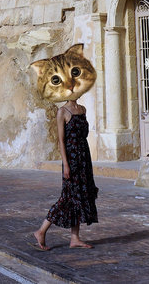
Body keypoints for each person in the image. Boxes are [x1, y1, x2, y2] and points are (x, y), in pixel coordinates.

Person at [33, 98, 99, 250]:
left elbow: (84, 135)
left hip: (84, 158)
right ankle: (41, 231)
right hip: (71, 158)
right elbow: (61, 141)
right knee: (68, 197)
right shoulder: (62, 111)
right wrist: (66, 165)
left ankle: (75, 238)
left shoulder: (82, 109)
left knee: (80, 196)